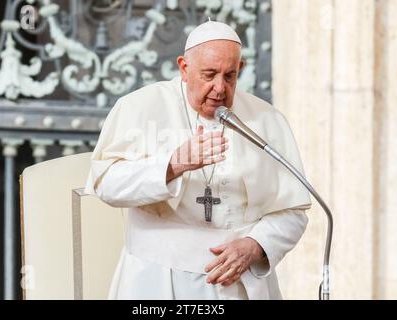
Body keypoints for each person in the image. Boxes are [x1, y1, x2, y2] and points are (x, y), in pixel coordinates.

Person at [84, 20, 311, 300]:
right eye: (209, 74)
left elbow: (294, 211)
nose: (219, 88)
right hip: (156, 280)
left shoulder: (266, 120)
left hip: (240, 284)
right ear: (184, 68)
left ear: (240, 70)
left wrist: (256, 245)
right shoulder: (139, 107)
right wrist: (173, 165)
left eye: (230, 76)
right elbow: (106, 184)